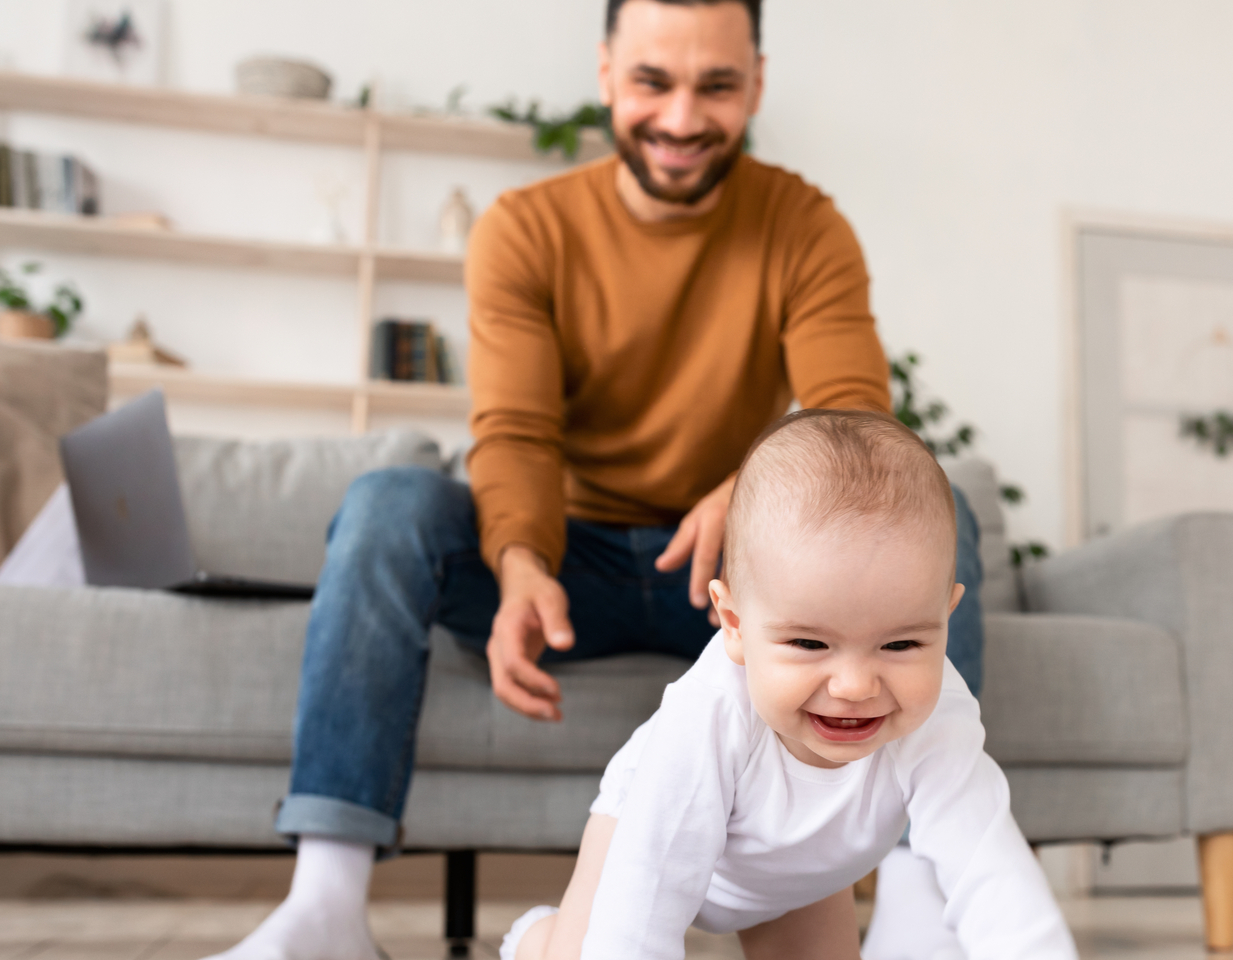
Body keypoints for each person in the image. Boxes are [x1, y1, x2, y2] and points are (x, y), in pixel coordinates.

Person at [204, 2, 987, 959]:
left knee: (937, 507)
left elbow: (854, 410)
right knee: (386, 503)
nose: (683, 116)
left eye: (718, 86)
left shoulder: (804, 225)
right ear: (609, 74)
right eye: (655, 81)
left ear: (757, 85)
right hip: (574, 565)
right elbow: (517, 430)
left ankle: (920, 900)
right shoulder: (527, 229)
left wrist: (743, 498)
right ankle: (322, 908)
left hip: (732, 572)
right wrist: (523, 561)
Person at [502, 410, 1073, 960]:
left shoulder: (938, 715)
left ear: (945, 619)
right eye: (809, 644)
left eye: (901, 645)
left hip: (804, 872)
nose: (854, 685)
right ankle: (536, 940)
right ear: (735, 625)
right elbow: (644, 903)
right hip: (653, 836)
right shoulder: (707, 717)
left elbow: (990, 868)